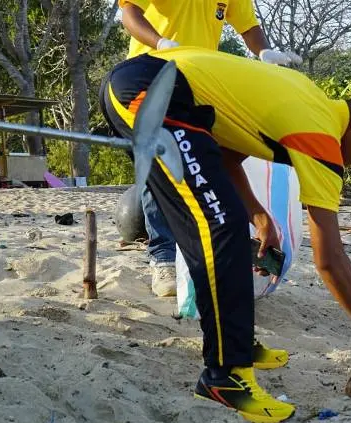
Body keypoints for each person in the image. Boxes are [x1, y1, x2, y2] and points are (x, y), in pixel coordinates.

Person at [100, 48, 351, 423]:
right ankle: (225, 376)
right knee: (222, 227)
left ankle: (236, 346)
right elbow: (329, 259)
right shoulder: (321, 137)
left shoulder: (311, 101)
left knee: (222, 222)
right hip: (152, 92)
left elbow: (228, 151)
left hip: (156, 86)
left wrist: (259, 215)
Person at [119, 0, 302, 297]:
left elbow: (249, 26)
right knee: (159, 166)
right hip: (147, 76)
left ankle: (198, 252)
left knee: (199, 163)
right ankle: (163, 258)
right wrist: (161, 42)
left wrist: (263, 51)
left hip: (197, 82)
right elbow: (129, 13)